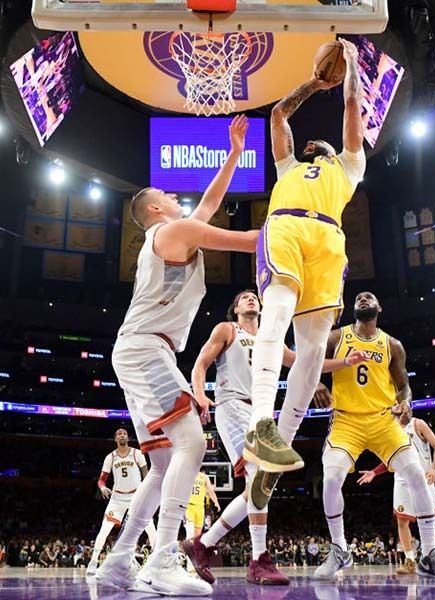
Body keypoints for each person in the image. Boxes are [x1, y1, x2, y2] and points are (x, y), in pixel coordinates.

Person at [97, 115, 259, 596]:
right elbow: (247, 241)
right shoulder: (168, 234)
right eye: (165, 194)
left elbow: (209, 205)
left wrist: (233, 153)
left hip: (144, 349)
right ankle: (164, 558)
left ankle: (122, 561)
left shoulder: (175, 232)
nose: (174, 195)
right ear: (153, 208)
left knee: (167, 464)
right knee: (191, 443)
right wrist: (299, 234)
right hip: (147, 349)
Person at [244, 38, 366, 480]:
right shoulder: (289, 168)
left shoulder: (350, 166)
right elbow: (277, 115)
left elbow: (352, 109)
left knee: (313, 351)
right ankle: (260, 424)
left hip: (329, 241)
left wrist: (350, 67)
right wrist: (314, 85)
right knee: (275, 312)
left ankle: (280, 447)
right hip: (288, 225)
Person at [308, 292, 435, 581]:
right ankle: (340, 548)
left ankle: (429, 553)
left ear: (379, 308)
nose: (364, 298)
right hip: (346, 420)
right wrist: (316, 383)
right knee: (330, 479)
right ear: (354, 308)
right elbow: (311, 362)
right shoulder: (336, 337)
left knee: (416, 473)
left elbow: (404, 386)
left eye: (370, 297)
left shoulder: (392, 344)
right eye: (360, 297)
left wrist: (406, 403)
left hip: (384, 421)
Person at [183, 290, 296, 585]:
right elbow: (200, 364)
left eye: (253, 296)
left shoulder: (270, 338)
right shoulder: (227, 329)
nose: (250, 298)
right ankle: (259, 559)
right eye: (243, 297)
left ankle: (203, 544)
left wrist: (337, 364)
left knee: (260, 487)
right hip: (232, 405)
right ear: (235, 309)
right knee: (259, 478)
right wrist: (200, 394)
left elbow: (300, 362)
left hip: (260, 413)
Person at [357, 404, 435, 574]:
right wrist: (374, 472)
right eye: (395, 405)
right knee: (402, 521)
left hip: (423, 477)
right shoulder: (391, 430)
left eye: (404, 405)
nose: (400, 407)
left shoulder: (418, 424)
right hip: (401, 480)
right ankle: (409, 560)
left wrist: (434, 467)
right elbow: (390, 460)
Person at [86, 429, 156, 578]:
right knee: (104, 530)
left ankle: (157, 562)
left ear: (128, 438)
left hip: (136, 496)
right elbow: (101, 480)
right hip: (117, 498)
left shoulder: (137, 453)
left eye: (124, 433)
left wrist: (147, 493)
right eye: (119, 434)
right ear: (115, 439)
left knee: (150, 528)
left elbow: (147, 475)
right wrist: (103, 487)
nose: (122, 435)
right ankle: (93, 562)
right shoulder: (110, 457)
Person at [184, 471, 219, 541]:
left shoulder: (204, 477)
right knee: (190, 534)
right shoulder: (186, 475)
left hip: (200, 508)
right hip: (189, 507)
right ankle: (185, 551)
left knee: (197, 537)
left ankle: (193, 550)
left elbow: (211, 491)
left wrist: (216, 502)